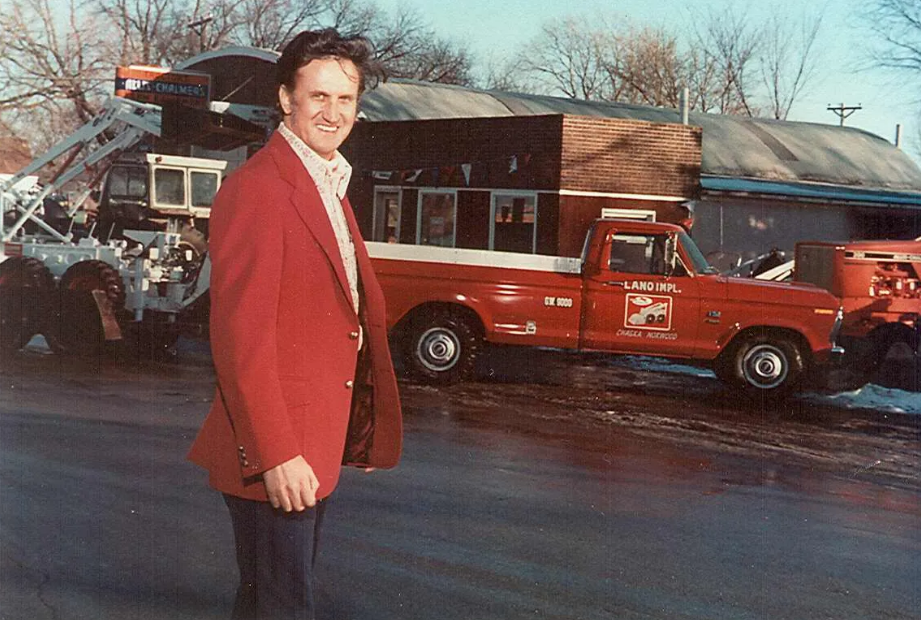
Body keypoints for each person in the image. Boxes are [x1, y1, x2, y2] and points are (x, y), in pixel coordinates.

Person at [187, 28, 403, 619]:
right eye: (318, 97)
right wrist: (277, 453)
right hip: (279, 453)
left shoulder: (326, 183)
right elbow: (240, 338)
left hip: (312, 447)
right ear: (286, 99)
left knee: (269, 602)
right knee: (283, 605)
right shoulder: (260, 189)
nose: (333, 113)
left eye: (346, 99)